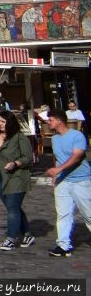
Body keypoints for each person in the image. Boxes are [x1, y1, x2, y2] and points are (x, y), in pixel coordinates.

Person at [41, 107, 91, 257]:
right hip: (63, 181)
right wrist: (57, 172)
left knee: (88, 214)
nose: (48, 122)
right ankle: (63, 246)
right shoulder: (55, 139)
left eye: (50, 120)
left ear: (58, 121)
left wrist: (59, 169)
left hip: (80, 181)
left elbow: (77, 156)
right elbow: (57, 157)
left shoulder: (77, 136)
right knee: (63, 214)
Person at [0, 111, 35, 250]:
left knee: (12, 208)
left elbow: (28, 158)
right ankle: (27, 234)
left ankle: (11, 238)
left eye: (3, 121)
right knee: (13, 207)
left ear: (10, 123)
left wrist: (15, 163)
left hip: (15, 176)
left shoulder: (19, 138)